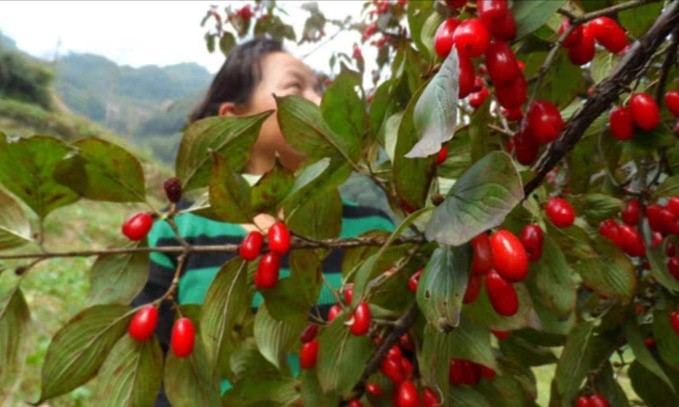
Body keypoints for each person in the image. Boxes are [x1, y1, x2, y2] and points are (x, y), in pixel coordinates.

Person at [132, 37, 394, 406]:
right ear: (235, 120)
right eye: (295, 87)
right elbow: (148, 376)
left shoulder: (376, 229)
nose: (320, 99)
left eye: (319, 88)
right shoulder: (175, 234)